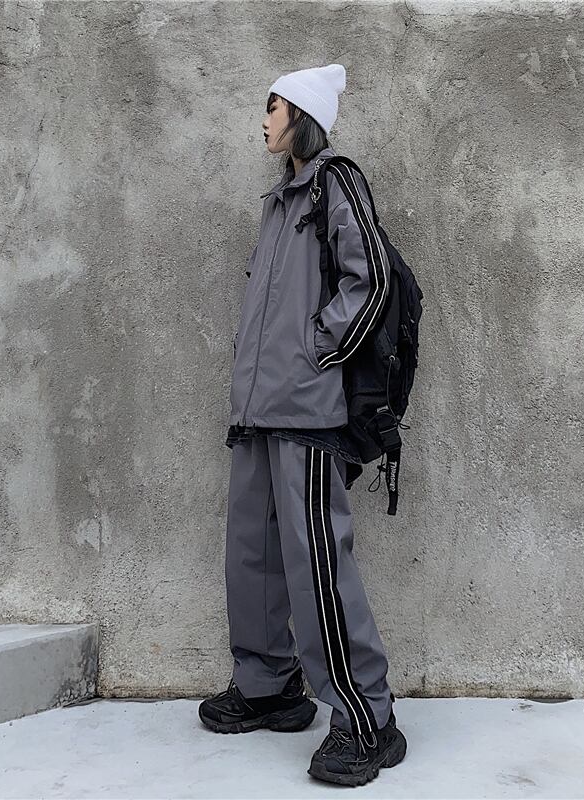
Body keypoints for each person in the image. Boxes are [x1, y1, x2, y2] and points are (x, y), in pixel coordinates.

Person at [198, 64, 407, 787]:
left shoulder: (334, 182)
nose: (263, 119)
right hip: (258, 412)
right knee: (252, 556)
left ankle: (368, 719)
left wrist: (318, 350)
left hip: (308, 411)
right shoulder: (279, 201)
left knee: (318, 564)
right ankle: (269, 686)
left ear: (303, 117)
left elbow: (370, 278)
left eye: (273, 106)